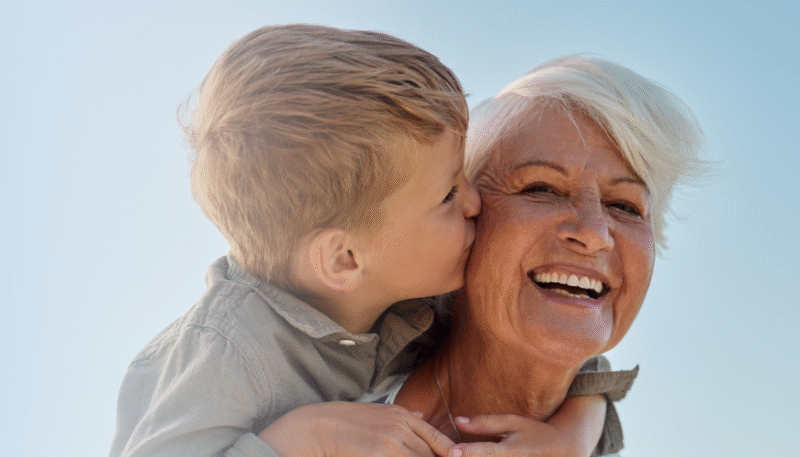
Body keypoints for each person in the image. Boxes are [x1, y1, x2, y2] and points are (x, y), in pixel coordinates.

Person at [109, 26, 619, 457]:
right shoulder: (229, 349)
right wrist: (294, 440)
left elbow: (577, 359)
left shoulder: (412, 287)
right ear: (345, 260)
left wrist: (568, 439)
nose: (474, 203)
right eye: (446, 195)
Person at [370, 55, 706, 456]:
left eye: (626, 206)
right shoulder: (315, 395)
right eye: (541, 189)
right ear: (465, 217)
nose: (594, 234)